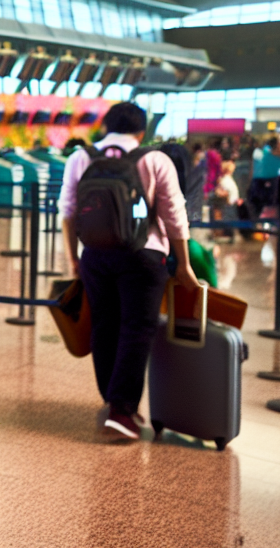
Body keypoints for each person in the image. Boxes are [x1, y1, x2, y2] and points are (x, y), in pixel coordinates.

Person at [60, 102, 197, 441]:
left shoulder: (81, 157)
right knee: (136, 328)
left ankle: (113, 402)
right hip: (143, 257)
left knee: (104, 326)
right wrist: (184, 264)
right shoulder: (155, 159)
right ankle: (122, 411)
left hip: (95, 254)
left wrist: (74, 260)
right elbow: (173, 215)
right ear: (141, 131)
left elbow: (67, 210)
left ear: (106, 126)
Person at [212, 159, 240, 242]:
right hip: (230, 206)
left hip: (231, 206)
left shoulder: (226, 180)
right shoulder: (226, 180)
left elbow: (225, 193)